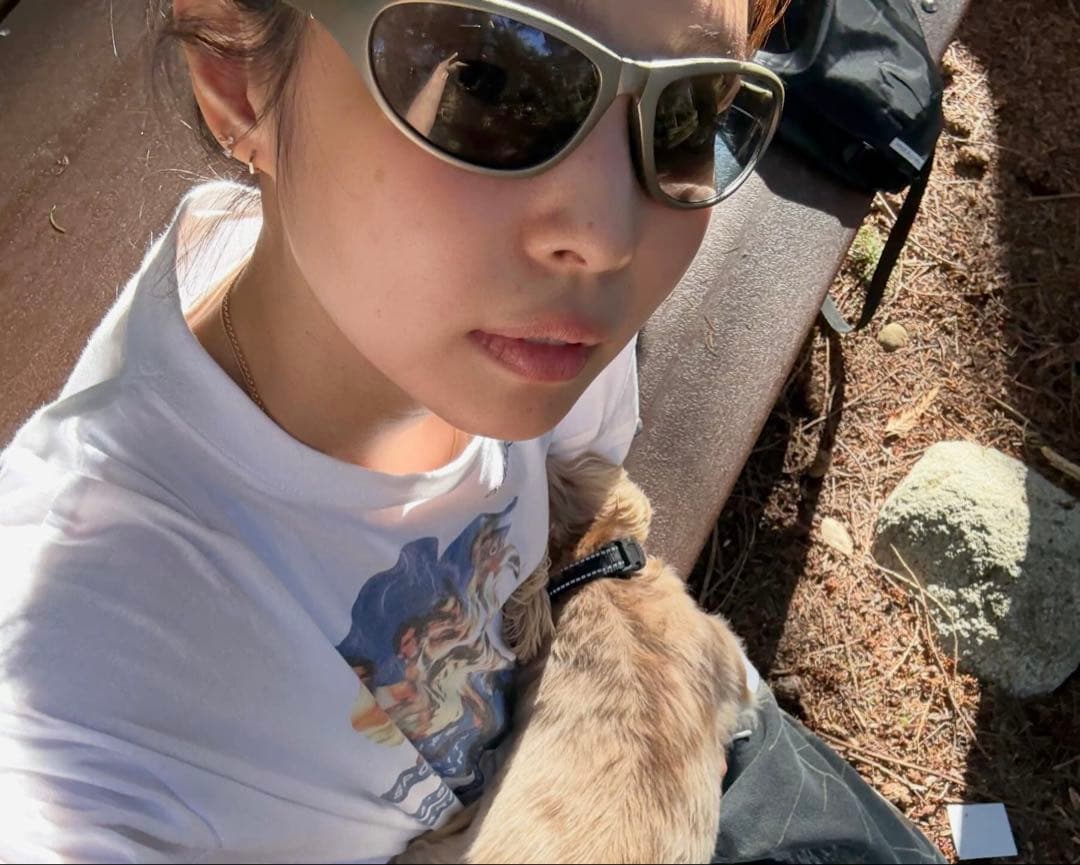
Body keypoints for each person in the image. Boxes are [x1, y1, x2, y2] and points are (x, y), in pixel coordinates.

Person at [0, 1, 945, 862]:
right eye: (490, 78)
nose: (610, 233)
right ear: (241, 77)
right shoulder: (91, 700)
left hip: (701, 742)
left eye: (689, 113)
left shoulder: (506, 330)